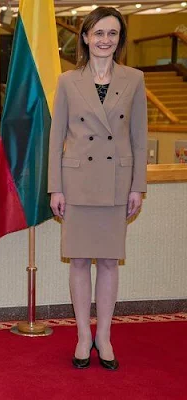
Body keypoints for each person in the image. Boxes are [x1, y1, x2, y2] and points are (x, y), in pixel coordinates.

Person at [48, 7, 147, 371]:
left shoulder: (134, 79)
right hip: (77, 183)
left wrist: (139, 186)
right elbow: (56, 137)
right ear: (85, 37)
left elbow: (139, 139)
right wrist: (55, 188)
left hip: (116, 183)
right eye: (99, 33)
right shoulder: (67, 81)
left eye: (112, 34)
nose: (105, 40)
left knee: (108, 261)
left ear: (119, 40)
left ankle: (103, 336)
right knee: (78, 260)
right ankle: (82, 336)